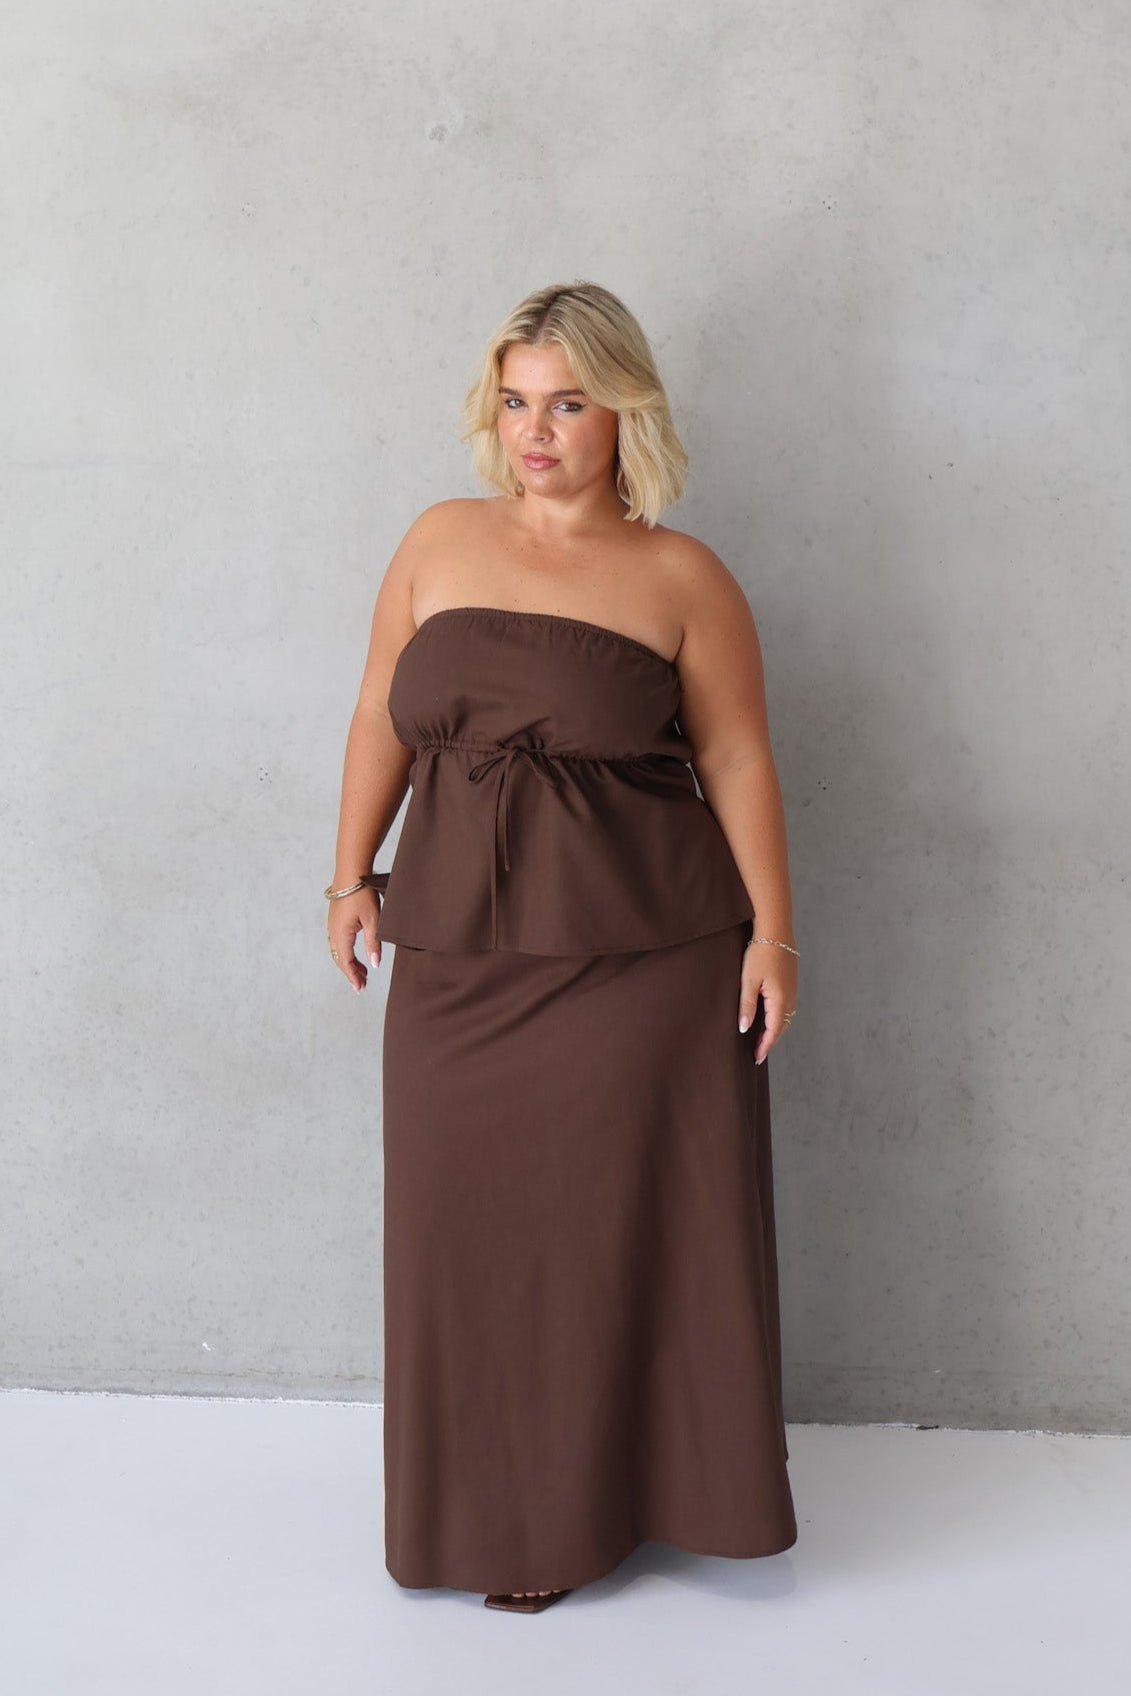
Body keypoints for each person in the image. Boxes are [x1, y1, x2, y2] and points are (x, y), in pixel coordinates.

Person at [326, 280, 800, 1612]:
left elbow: (738, 757)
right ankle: (499, 1514)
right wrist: (349, 873)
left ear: (625, 412)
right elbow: (377, 718)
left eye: (570, 403)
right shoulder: (436, 542)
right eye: (517, 402)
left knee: (609, 1240)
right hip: (457, 958)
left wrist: (777, 934)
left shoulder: (684, 577)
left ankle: (604, 1515)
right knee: (468, 1238)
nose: (535, 432)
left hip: (641, 965)